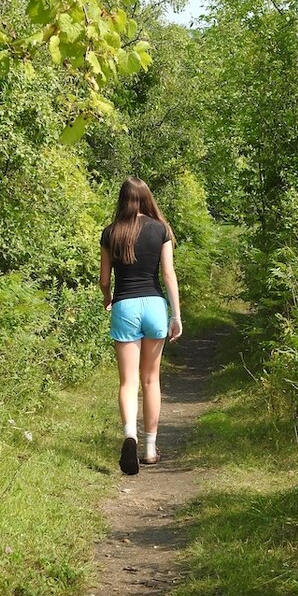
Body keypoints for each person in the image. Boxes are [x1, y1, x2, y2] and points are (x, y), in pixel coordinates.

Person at [99, 177, 182, 476]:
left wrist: (108, 299)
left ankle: (129, 436)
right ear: (146, 198)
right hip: (154, 307)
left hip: (125, 307)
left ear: (122, 199)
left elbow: (105, 280)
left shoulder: (110, 233)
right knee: (150, 380)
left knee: (128, 382)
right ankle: (149, 448)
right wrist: (176, 316)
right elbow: (169, 274)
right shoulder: (161, 230)